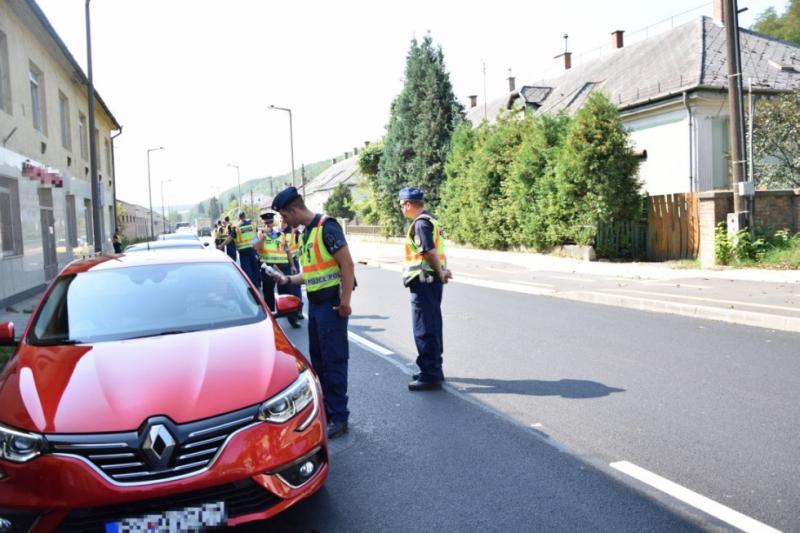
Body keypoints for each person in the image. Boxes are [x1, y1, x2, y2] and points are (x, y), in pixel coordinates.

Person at [270, 187, 355, 439]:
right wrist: (286, 280)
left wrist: (345, 302)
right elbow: (310, 273)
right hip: (316, 307)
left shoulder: (327, 227)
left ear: (294, 210)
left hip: (331, 306)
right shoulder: (307, 233)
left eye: (285, 216)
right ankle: (327, 411)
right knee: (318, 362)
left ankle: (339, 416)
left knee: (333, 361)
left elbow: (347, 264)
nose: (285, 221)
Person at [399, 187, 452, 391]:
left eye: (402, 205)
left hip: (423, 281)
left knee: (424, 328)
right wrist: (442, 271)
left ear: (409, 204)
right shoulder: (431, 220)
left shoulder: (420, 223)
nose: (401, 209)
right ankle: (434, 369)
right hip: (430, 281)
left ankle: (430, 375)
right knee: (433, 325)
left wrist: (440, 272)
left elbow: (429, 252)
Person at [220, 211, 260, 287]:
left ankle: (249, 286)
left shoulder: (237, 228)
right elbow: (256, 237)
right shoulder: (253, 225)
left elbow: (229, 238)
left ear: (239, 218)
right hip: (253, 249)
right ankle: (256, 285)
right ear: (245, 216)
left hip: (243, 252)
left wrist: (222, 245)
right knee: (254, 267)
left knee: (246, 270)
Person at [276, 217, 303, 328]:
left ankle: (299, 310)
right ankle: (287, 310)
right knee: (284, 289)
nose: (281, 223)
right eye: (280, 221)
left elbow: (301, 246)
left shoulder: (295, 232)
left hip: (293, 263)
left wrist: (297, 257)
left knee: (295, 288)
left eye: (283, 221)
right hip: (281, 263)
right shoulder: (277, 233)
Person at [254, 210, 282, 313]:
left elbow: (285, 249)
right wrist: (263, 238)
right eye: (266, 223)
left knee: (284, 292)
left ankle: (290, 315)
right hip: (266, 267)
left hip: (279, 266)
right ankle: (271, 314)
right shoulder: (258, 234)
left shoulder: (279, 234)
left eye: (270, 222)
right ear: (263, 223)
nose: (268, 225)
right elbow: (255, 247)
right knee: (268, 293)